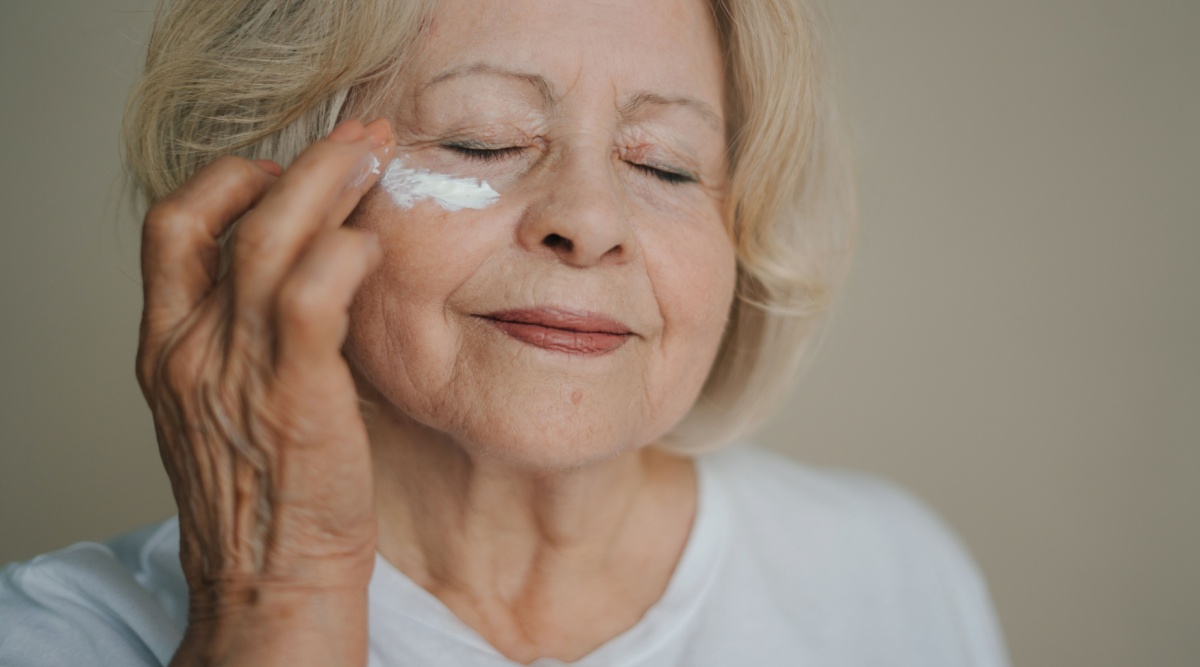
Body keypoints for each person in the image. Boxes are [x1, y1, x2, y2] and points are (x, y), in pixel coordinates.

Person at [0, 0, 1010, 665]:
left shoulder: (889, 575)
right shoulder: (58, 637)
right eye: (484, 138)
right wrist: (274, 607)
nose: (591, 219)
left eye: (664, 165)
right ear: (278, 196)